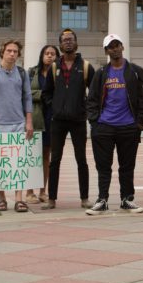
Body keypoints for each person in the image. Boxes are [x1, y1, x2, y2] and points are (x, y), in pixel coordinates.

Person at [84, 34, 143, 215]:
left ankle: (127, 199)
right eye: (110, 46)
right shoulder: (101, 73)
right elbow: (91, 100)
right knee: (103, 167)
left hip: (129, 127)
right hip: (104, 127)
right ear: (106, 51)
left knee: (127, 166)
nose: (114, 49)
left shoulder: (135, 71)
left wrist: (139, 122)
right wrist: (95, 122)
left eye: (117, 45)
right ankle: (102, 199)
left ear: (122, 47)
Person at [41, 29, 94, 209]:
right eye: (64, 40)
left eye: (71, 39)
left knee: (81, 160)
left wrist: (85, 109)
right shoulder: (54, 67)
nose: (68, 42)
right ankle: (51, 199)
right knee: (55, 160)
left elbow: (94, 93)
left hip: (78, 120)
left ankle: (85, 198)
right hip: (58, 121)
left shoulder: (86, 66)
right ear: (60, 45)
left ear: (76, 43)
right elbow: (46, 92)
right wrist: (54, 105)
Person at [0, 39, 34, 212]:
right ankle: (2, 198)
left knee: (19, 164)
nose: (12, 54)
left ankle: (19, 199)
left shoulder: (22, 73)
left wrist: (29, 121)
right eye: (9, 50)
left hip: (18, 124)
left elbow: (27, 97)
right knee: (0, 164)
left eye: (15, 51)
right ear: (2, 52)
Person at [27, 44, 59, 205]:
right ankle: (29, 191)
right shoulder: (32, 72)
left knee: (46, 156)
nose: (49, 56)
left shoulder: (60, 74)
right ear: (42, 56)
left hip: (51, 118)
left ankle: (42, 191)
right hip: (35, 117)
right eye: (46, 53)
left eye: (53, 54)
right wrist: (44, 94)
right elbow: (26, 93)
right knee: (32, 156)